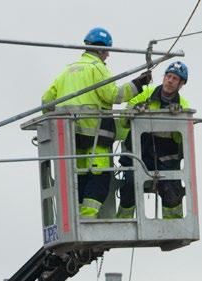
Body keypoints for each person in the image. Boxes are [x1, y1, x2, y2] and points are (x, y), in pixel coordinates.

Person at [42, 27, 151, 218]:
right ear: (100, 50)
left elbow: (46, 101)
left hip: (71, 137)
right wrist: (138, 84)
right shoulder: (97, 68)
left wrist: (56, 122)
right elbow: (113, 95)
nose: (108, 55)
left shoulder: (67, 71)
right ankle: (87, 217)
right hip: (95, 136)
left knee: (81, 175)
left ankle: (78, 217)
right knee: (100, 177)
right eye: (107, 51)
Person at [116, 61, 190, 220]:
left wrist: (178, 119)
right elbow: (123, 119)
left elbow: (181, 139)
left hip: (165, 158)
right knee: (130, 186)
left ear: (181, 84)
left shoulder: (183, 105)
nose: (170, 80)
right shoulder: (147, 94)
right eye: (168, 76)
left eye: (175, 78)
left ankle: (173, 227)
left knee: (172, 191)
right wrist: (134, 110)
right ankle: (124, 222)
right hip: (139, 153)